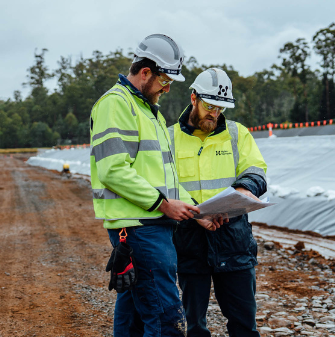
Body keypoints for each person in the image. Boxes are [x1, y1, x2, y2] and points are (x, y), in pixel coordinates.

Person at [89, 34, 200, 337]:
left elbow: (166, 177)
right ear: (146, 72)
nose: (167, 88)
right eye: (165, 81)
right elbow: (113, 170)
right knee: (165, 319)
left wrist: (198, 210)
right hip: (139, 227)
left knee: (134, 317)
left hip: (150, 224)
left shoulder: (148, 110)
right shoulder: (115, 104)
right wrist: (164, 204)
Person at [168, 68, 267, 337]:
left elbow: (256, 168)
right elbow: (163, 183)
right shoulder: (168, 138)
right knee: (195, 326)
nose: (215, 113)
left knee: (244, 325)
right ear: (193, 99)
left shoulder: (237, 133)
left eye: (221, 107)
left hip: (233, 240)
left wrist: (247, 188)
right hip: (189, 242)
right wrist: (195, 212)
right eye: (210, 105)